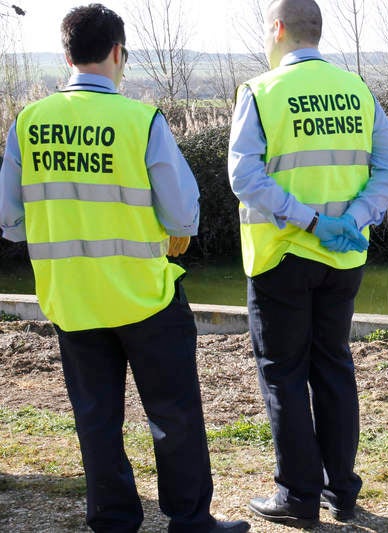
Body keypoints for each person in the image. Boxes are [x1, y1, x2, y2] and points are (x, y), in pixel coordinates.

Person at [0, 4, 250, 533]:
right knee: (173, 413)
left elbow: (9, 219)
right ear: (119, 53)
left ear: (65, 55)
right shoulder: (140, 120)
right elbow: (183, 212)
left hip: (71, 297)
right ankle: (188, 520)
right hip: (144, 296)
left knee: (96, 416)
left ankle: (113, 519)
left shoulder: (28, 122)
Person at [227, 0, 388, 527]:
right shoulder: (356, 89)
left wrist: (305, 220)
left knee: (283, 373)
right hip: (344, 254)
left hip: (282, 253)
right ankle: (341, 492)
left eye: (267, 29)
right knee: (333, 365)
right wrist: (356, 215)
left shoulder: (259, 92)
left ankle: (298, 498)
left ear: (278, 30)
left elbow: (247, 179)